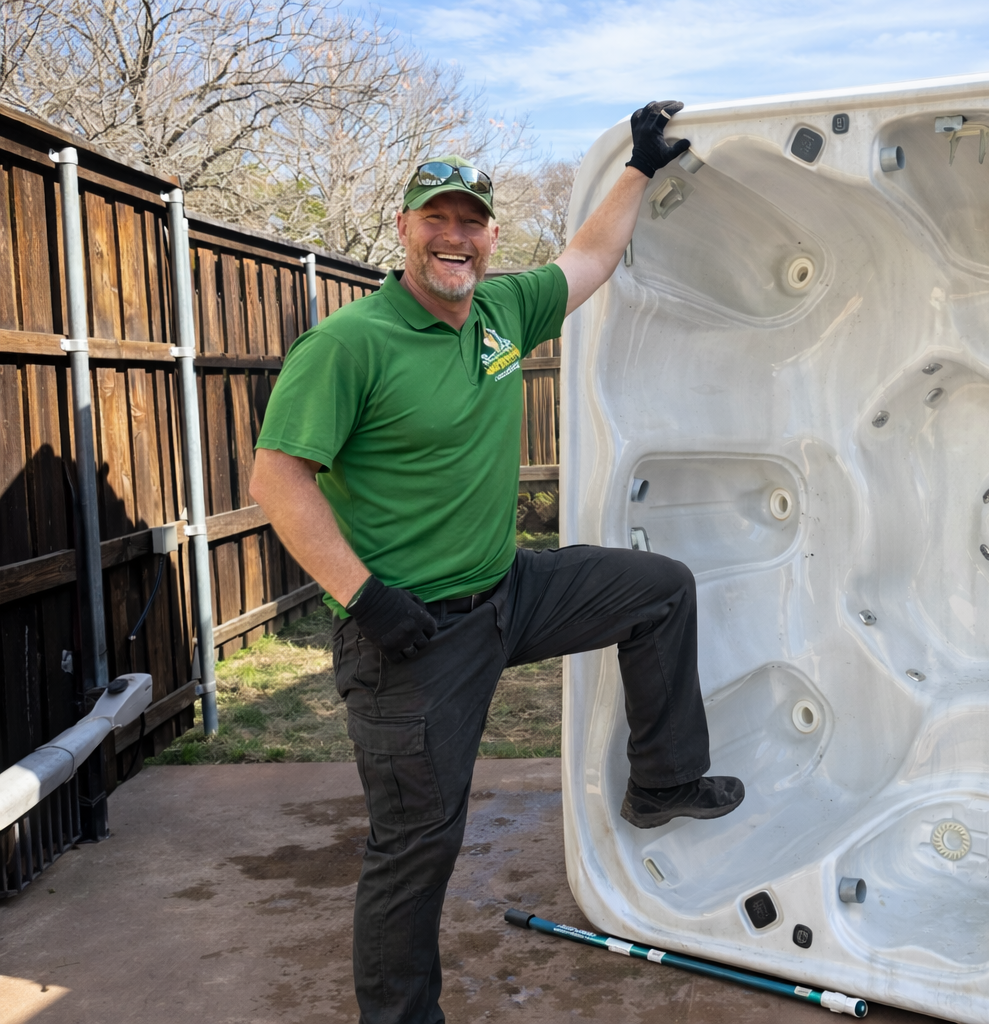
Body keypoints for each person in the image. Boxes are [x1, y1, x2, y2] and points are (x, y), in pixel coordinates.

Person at [248, 101, 744, 1024]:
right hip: (410, 632)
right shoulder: (351, 343)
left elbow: (590, 257)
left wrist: (638, 167)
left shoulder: (502, 312)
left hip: (509, 590)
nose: (455, 236)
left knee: (659, 592)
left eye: (470, 221)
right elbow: (277, 478)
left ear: (490, 237)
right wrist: (365, 597)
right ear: (404, 230)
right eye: (436, 219)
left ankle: (662, 781)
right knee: (417, 847)